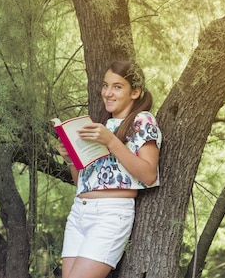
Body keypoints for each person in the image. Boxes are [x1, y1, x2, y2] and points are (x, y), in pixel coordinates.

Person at [57, 60, 162, 278]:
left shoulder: (142, 120)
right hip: (79, 211)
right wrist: (70, 159)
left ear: (135, 92)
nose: (108, 93)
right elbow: (82, 182)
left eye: (117, 86)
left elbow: (149, 174)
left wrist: (111, 141)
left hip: (110, 214)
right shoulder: (102, 126)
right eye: (105, 85)